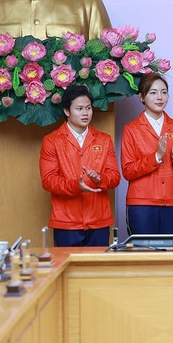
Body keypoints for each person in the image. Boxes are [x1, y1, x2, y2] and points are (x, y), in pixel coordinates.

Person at [39, 84, 121, 247]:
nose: (85, 113)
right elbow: (48, 180)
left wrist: (100, 179)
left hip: (99, 220)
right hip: (66, 221)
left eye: (88, 108)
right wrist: (76, 185)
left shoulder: (104, 140)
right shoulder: (52, 141)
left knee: (97, 271)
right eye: (79, 108)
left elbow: (115, 177)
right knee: (68, 270)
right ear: (67, 111)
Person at [120, 73, 173, 243]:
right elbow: (128, 171)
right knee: (143, 257)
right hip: (141, 204)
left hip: (171, 203)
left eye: (164, 92)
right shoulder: (132, 129)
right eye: (153, 92)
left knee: (168, 257)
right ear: (141, 97)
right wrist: (156, 156)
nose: (160, 97)